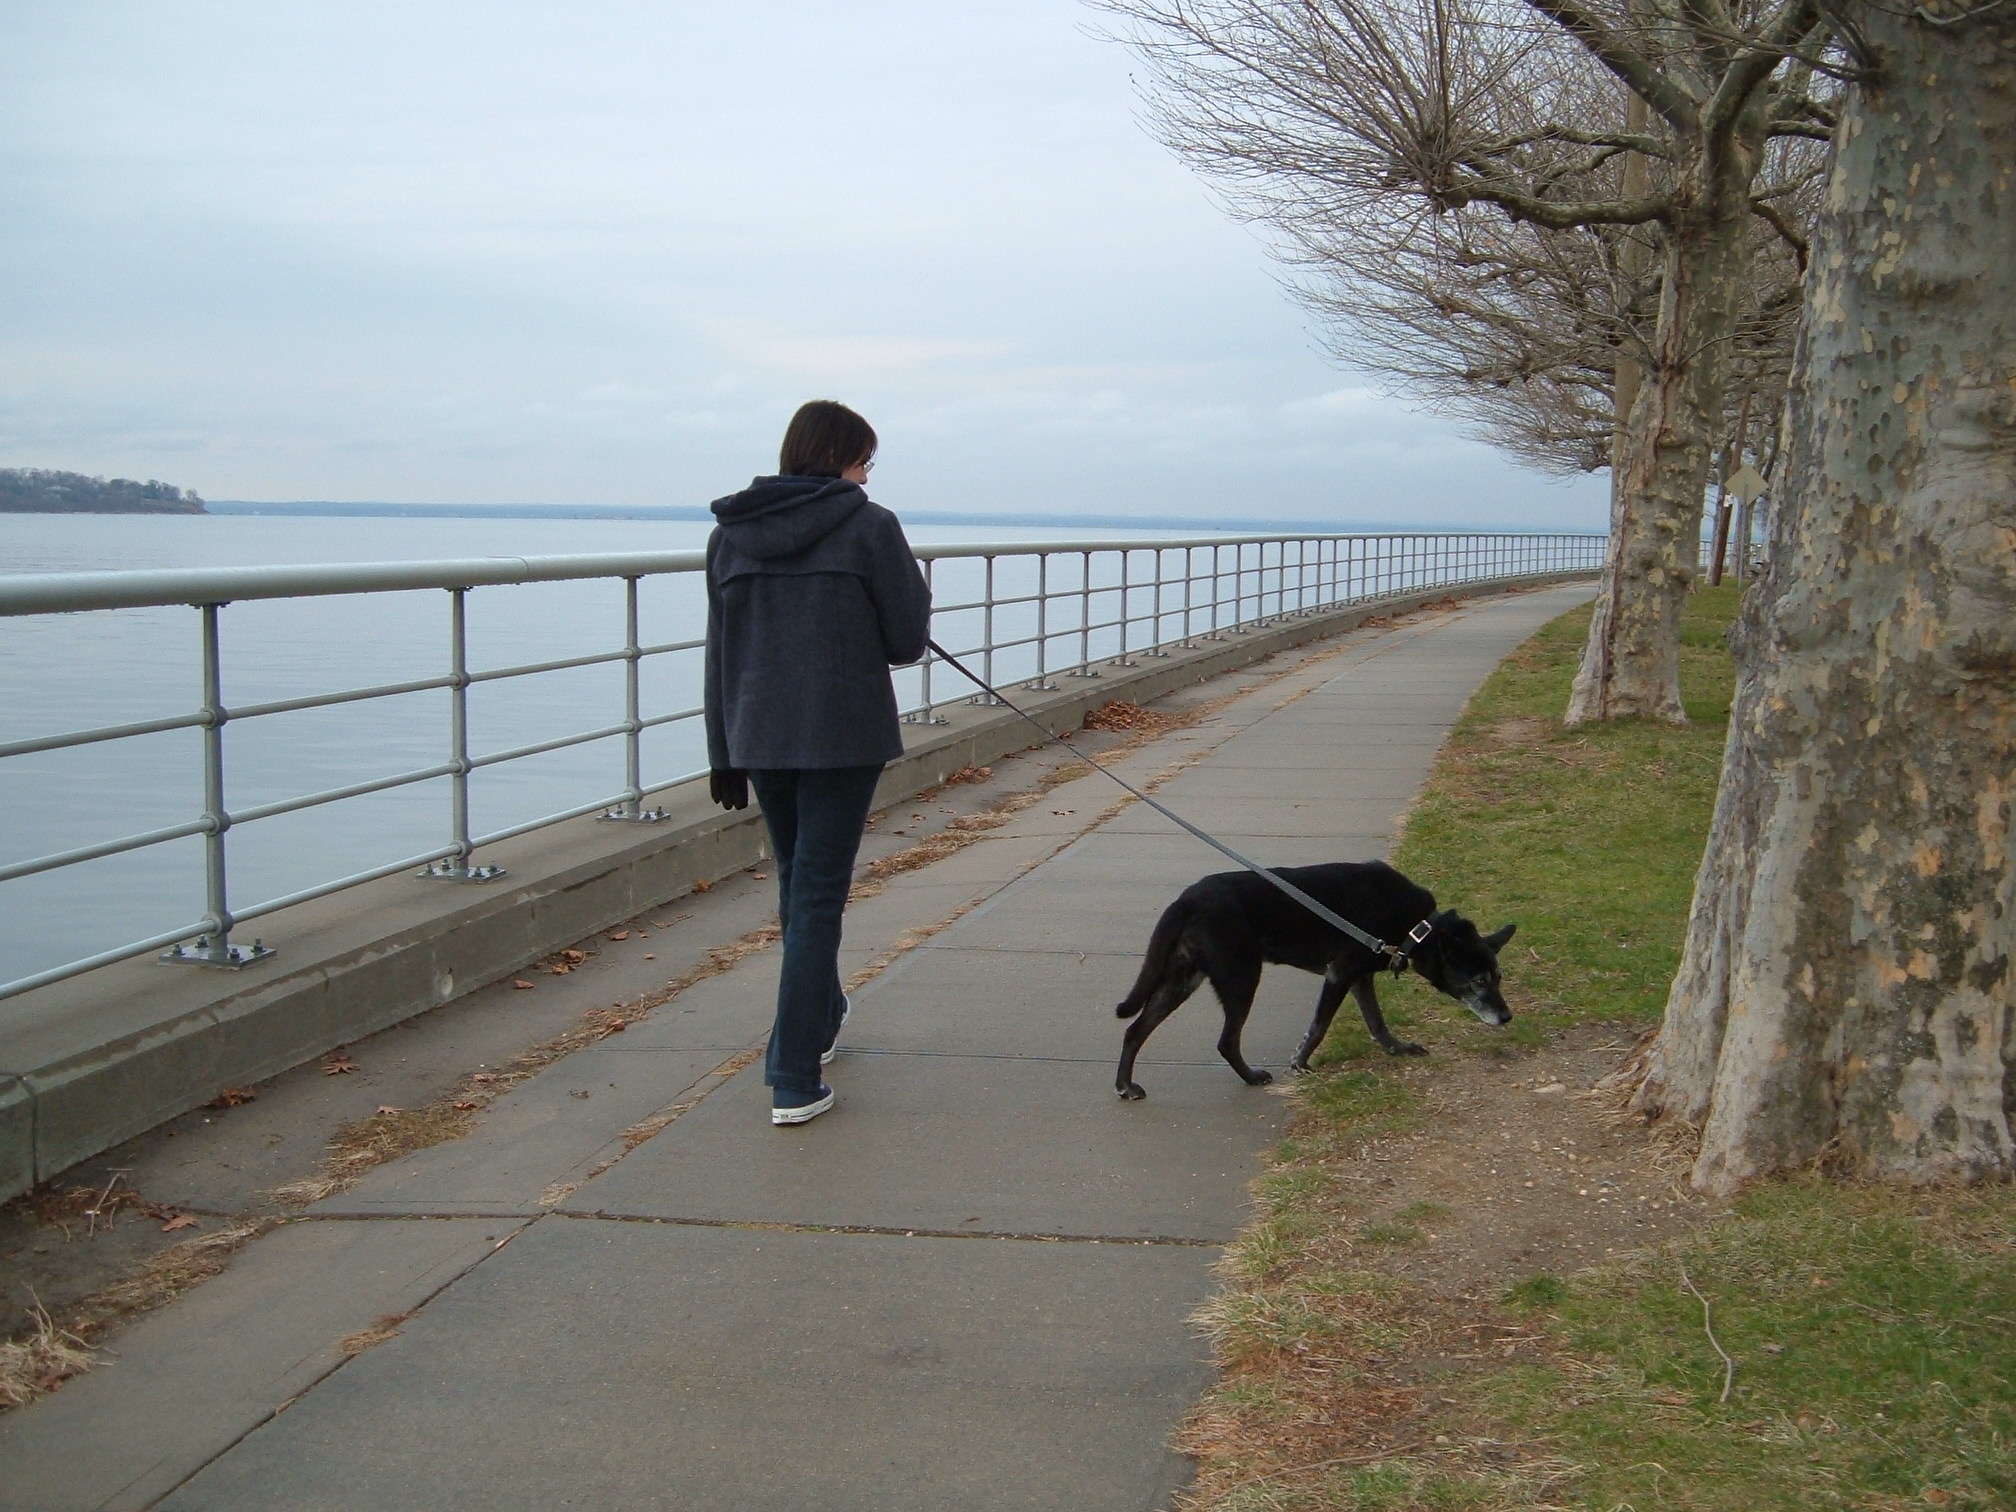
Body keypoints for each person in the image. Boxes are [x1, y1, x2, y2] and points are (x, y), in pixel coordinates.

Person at [703, 400, 931, 1126]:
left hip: (760, 734)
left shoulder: (730, 536)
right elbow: (905, 641)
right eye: (864, 460)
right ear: (839, 457)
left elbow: (721, 653)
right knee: (817, 895)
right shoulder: (870, 525)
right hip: (840, 735)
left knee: (800, 882)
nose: (867, 476)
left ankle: (822, 1013)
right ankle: (794, 1075)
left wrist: (723, 755)